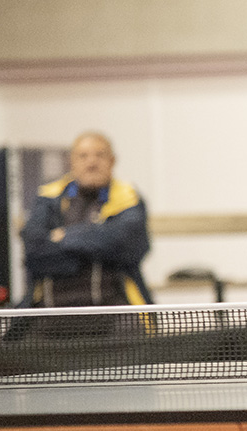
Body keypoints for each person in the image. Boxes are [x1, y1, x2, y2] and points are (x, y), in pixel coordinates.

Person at [20, 131, 153, 308]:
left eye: (100, 155)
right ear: (71, 161)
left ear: (112, 161)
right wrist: (96, 253)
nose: (91, 163)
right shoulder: (48, 197)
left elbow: (129, 246)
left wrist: (64, 236)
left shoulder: (129, 197)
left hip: (116, 310)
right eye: (83, 156)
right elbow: (34, 251)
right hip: (50, 310)